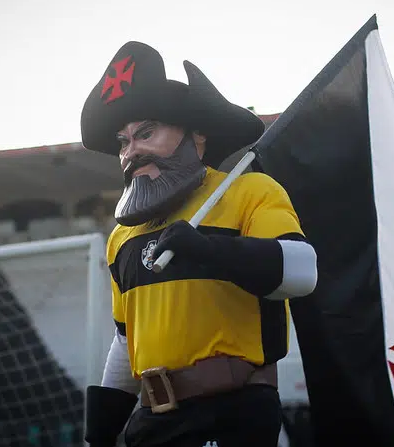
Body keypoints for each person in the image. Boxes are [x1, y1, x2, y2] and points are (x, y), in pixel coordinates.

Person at [80, 42, 319, 447]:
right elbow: (126, 340)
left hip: (229, 415)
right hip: (150, 425)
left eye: (146, 133)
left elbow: (302, 272)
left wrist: (209, 250)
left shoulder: (248, 192)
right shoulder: (122, 238)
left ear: (198, 136)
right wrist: (101, 430)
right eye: (123, 142)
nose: (131, 152)